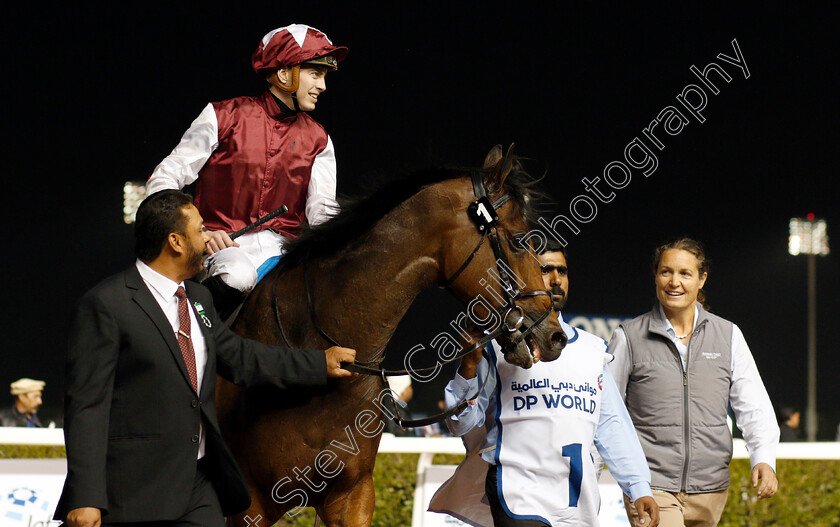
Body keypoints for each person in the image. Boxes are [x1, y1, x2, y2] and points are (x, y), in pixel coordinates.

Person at [53, 190, 356, 527]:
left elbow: (242, 358)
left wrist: (318, 363)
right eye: (201, 230)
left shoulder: (198, 298)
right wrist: (86, 497)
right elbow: (87, 407)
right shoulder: (106, 304)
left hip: (199, 490)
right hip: (131, 495)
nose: (210, 238)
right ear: (176, 242)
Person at [430, 240, 659, 527]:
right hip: (516, 492)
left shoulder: (593, 350)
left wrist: (639, 488)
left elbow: (612, 425)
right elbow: (460, 424)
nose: (555, 280)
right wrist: (467, 366)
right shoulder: (495, 346)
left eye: (561, 271)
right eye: (544, 270)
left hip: (576, 502)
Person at [146, 24, 348, 316]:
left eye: (324, 76)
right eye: (315, 74)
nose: (322, 86)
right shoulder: (221, 115)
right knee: (238, 276)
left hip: (285, 255)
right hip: (221, 252)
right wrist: (198, 233)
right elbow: (165, 178)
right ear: (284, 74)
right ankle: (191, 346)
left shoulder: (320, 139)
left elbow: (323, 214)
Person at [609, 238, 779, 527]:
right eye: (666, 272)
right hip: (650, 485)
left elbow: (753, 403)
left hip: (711, 488)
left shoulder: (728, 335)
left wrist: (763, 458)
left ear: (702, 280)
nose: (674, 282)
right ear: (656, 276)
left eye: (685, 273)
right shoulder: (628, 337)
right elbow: (607, 409)